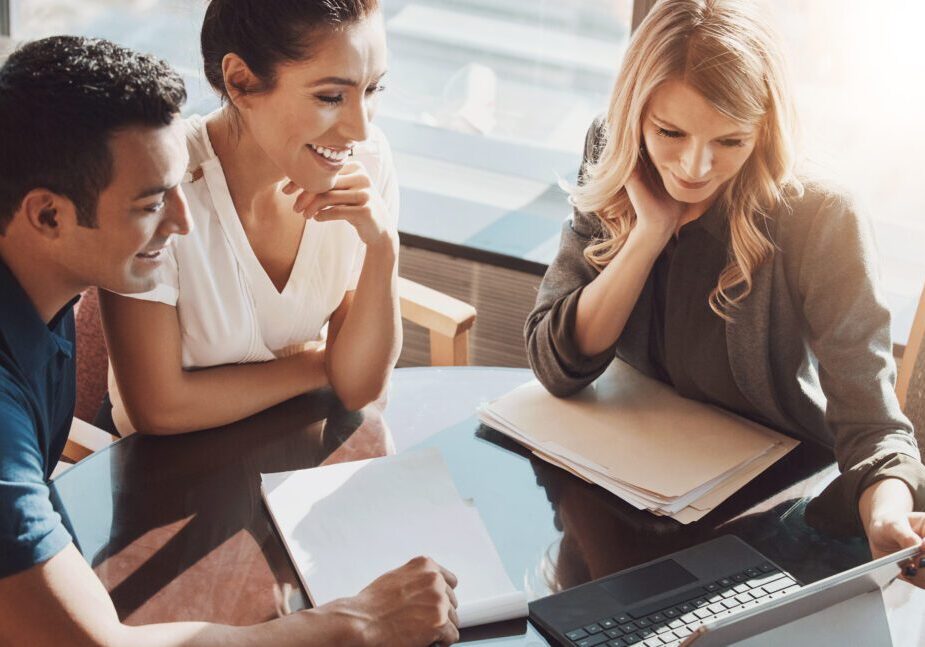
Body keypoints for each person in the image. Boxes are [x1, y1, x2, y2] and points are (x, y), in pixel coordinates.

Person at [0, 36, 459, 646]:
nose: (183, 223)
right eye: (151, 203)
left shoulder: (41, 294)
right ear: (48, 216)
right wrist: (357, 624)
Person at [524, 0, 925, 580]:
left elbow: (872, 424)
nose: (694, 166)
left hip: (771, 510)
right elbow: (554, 363)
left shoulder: (819, 215)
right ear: (635, 114)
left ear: (763, 128)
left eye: (730, 141)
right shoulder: (612, 151)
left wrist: (889, 517)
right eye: (670, 132)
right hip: (621, 481)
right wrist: (648, 236)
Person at [100, 0, 402, 436]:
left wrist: (383, 246)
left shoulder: (368, 163)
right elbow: (158, 409)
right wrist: (322, 363)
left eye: (373, 90)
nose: (359, 128)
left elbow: (358, 389)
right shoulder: (158, 183)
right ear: (241, 82)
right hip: (162, 475)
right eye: (331, 97)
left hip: (290, 457)